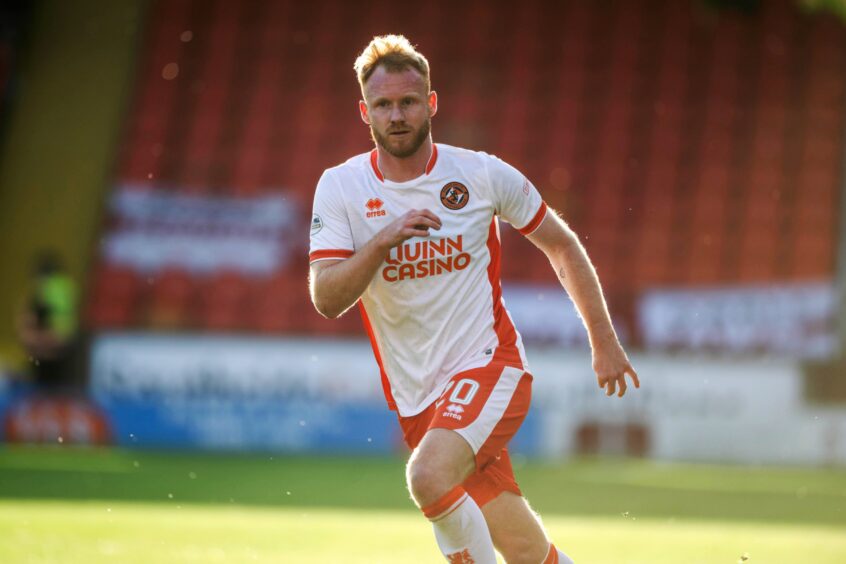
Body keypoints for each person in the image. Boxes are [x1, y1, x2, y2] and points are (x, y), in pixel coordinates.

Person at [308, 35, 640, 564]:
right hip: (419, 397)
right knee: (524, 548)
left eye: (409, 102)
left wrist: (604, 342)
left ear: (431, 104)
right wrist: (382, 241)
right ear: (363, 111)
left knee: (427, 475)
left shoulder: (480, 173)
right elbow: (326, 297)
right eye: (384, 105)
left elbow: (560, 243)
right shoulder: (340, 188)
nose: (397, 115)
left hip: (491, 366)